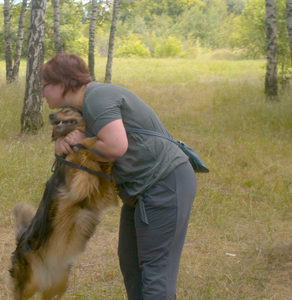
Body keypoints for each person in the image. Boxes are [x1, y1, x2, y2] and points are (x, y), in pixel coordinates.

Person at [40, 52, 197, 300]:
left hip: (164, 183)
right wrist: (64, 141)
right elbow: (89, 142)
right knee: (132, 266)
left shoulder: (97, 97)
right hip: (140, 192)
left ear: (62, 83)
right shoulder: (84, 106)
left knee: (156, 273)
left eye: (45, 85)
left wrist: (82, 142)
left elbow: (115, 147)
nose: (42, 93)